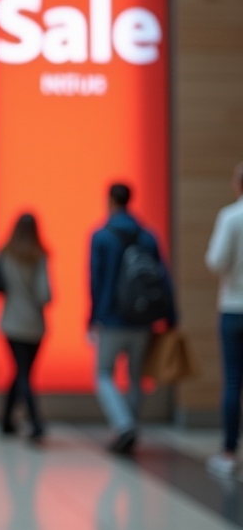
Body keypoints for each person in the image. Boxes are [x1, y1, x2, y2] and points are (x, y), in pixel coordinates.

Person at [89, 183, 177, 455]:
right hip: (143, 319)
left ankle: (124, 425)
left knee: (103, 374)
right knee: (136, 378)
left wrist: (93, 316)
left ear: (110, 201)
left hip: (112, 318)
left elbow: (95, 280)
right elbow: (163, 277)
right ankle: (129, 429)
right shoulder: (148, 236)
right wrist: (171, 316)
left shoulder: (101, 236)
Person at [0, 213, 52, 443]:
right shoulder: (40, 257)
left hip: (12, 322)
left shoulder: (5, 254)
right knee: (24, 372)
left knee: (21, 371)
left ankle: (6, 419)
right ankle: (36, 421)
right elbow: (44, 293)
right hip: (34, 324)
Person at [205, 163, 243, 478]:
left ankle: (229, 452)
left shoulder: (230, 217)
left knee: (233, 382)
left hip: (233, 307)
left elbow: (217, 261)